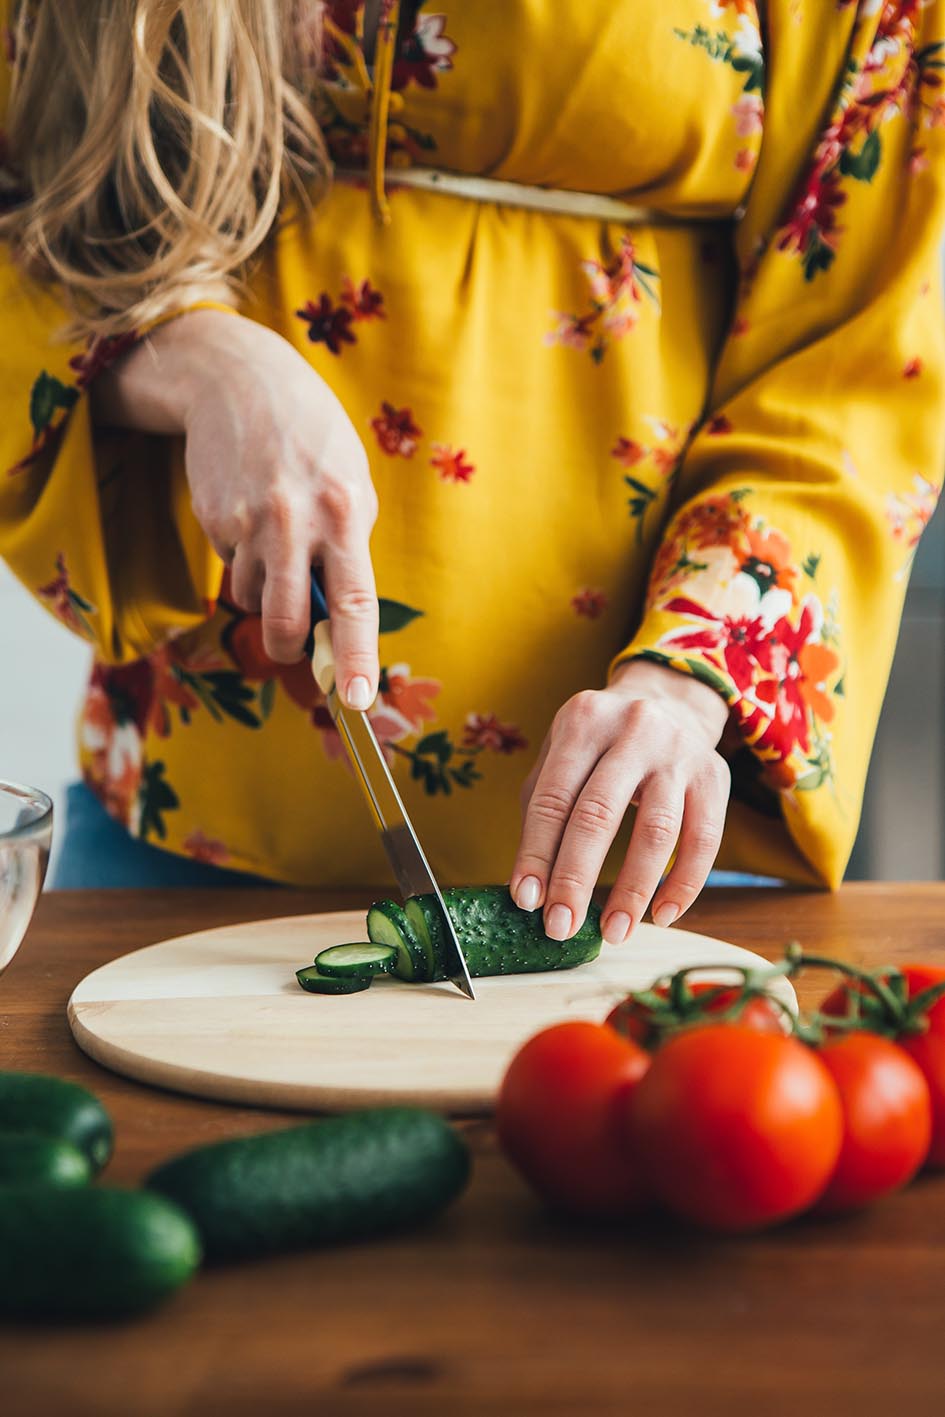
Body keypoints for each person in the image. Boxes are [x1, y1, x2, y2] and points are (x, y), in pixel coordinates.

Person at [0, 1, 943, 943]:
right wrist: (188, 356)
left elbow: (854, 365)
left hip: (638, 854)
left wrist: (684, 681)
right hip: (189, 816)